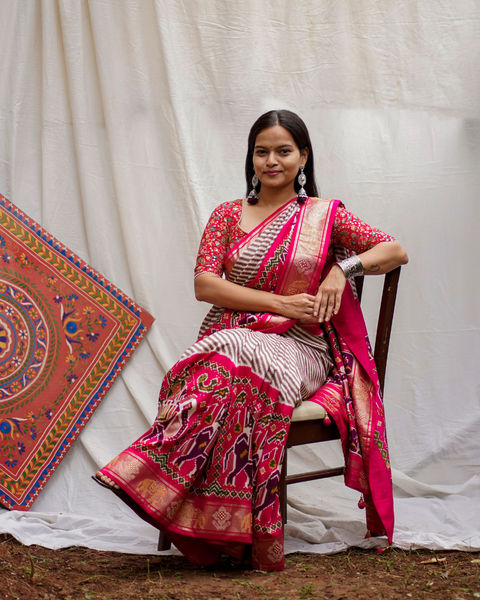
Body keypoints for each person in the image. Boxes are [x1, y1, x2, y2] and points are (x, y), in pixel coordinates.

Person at [94, 110, 408, 571]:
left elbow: (394, 250)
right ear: (252, 158)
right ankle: (220, 519)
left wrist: (344, 268)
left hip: (301, 347)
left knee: (230, 356)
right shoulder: (227, 215)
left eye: (283, 151)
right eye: (262, 151)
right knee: (233, 355)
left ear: (303, 157)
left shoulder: (323, 217)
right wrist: (278, 304)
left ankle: (157, 476)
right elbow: (205, 285)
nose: (271, 161)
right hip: (232, 341)